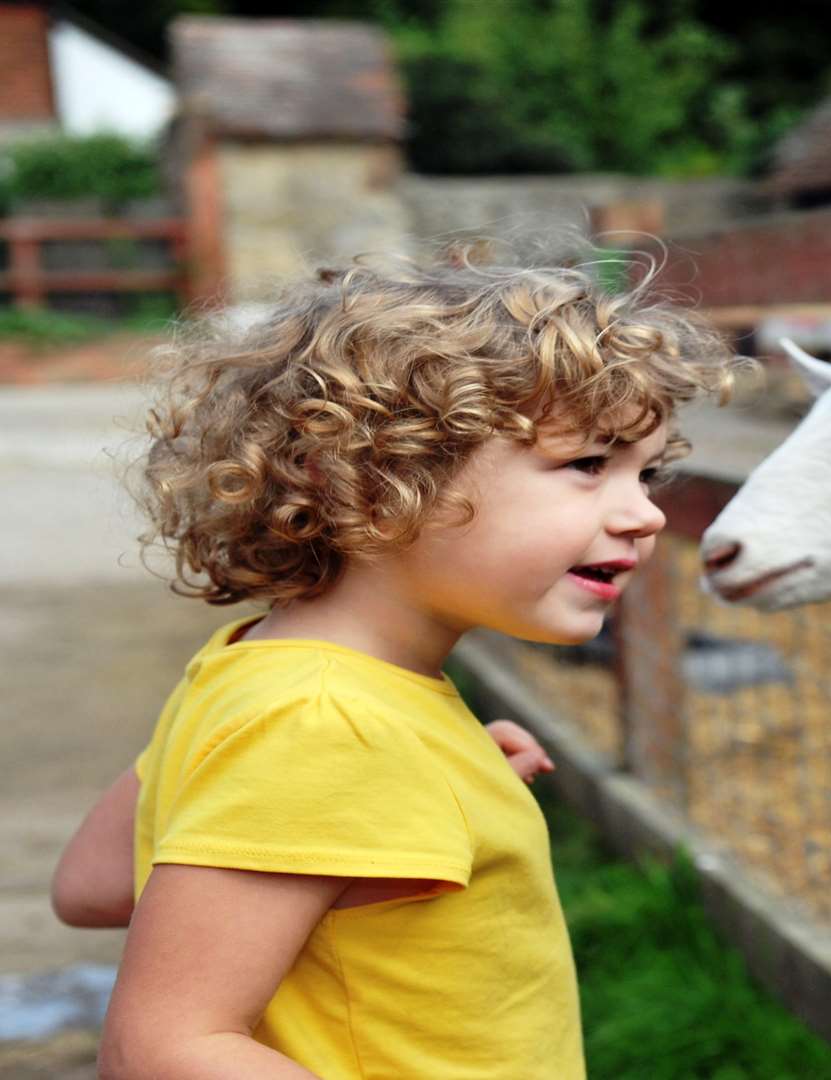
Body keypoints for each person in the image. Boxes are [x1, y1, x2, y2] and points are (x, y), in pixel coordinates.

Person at [49, 256, 736, 1078]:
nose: (647, 513)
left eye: (647, 472)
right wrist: (363, 779)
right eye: (588, 464)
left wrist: (407, 806)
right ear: (373, 482)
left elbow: (94, 882)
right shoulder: (328, 725)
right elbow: (162, 1049)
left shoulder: (260, 673)